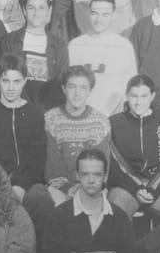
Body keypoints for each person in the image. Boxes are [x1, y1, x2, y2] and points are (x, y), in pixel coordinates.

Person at [108, 75, 160, 253]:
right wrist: (136, 188)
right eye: (134, 96)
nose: (138, 102)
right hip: (126, 187)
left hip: (157, 186)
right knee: (114, 215)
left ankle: (140, 251)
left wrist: (152, 189)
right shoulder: (114, 122)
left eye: (144, 96)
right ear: (127, 95)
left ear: (152, 96)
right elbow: (115, 161)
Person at [0, 54, 46, 203]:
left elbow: (38, 159)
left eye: (16, 81)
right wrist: (1, 184)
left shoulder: (35, 114)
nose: (11, 88)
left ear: (24, 81)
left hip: (29, 184)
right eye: (6, 81)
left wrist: (21, 186)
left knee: (41, 197)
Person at [45, 66, 111, 206]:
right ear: (64, 89)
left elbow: (101, 166)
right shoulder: (51, 119)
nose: (77, 93)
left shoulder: (100, 122)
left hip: (92, 185)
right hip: (60, 188)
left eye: (83, 88)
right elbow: (52, 165)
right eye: (72, 87)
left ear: (90, 90)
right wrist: (67, 188)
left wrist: (84, 188)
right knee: (59, 210)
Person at [68, 0, 137, 116]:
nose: (98, 20)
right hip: (81, 117)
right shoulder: (75, 45)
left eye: (105, 15)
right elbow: (70, 86)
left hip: (113, 116)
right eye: (94, 14)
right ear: (88, 13)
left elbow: (129, 87)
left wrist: (107, 112)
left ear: (114, 15)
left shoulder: (123, 46)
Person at [0, 0, 68, 111]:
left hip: (47, 111)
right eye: (31, 8)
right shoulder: (10, 41)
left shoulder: (59, 46)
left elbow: (61, 84)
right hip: (15, 109)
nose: (36, 13)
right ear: (24, 11)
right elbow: (2, 78)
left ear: (49, 11)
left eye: (41, 8)